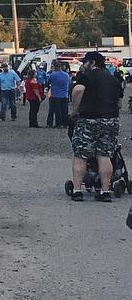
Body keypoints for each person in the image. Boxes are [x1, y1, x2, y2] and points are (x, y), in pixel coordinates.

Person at [67, 50, 124, 203]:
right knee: (105, 156)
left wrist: (75, 110)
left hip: (88, 120)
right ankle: (105, 191)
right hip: (110, 120)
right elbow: (119, 103)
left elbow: (78, 90)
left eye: (85, 62)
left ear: (92, 63)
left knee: (81, 156)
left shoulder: (85, 76)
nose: (83, 65)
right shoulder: (113, 79)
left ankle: (78, 191)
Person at [47, 61, 72, 128]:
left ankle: (58, 124)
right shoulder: (66, 75)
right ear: (60, 67)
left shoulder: (53, 75)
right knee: (64, 111)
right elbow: (69, 83)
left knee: (57, 111)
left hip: (55, 95)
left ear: (55, 67)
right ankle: (65, 124)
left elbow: (48, 82)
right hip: (65, 95)